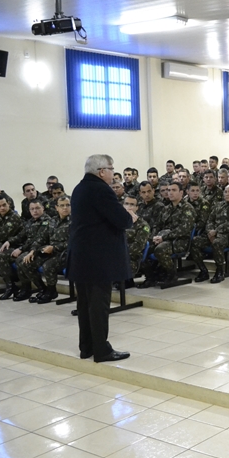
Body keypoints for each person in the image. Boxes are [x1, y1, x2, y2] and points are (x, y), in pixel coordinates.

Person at [68, 154, 134, 363]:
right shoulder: (100, 189)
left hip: (82, 255)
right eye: (112, 168)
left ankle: (86, 347)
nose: (114, 172)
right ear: (101, 171)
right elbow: (121, 219)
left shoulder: (80, 188)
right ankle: (102, 350)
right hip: (98, 258)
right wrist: (129, 216)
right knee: (99, 305)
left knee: (85, 303)